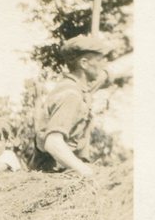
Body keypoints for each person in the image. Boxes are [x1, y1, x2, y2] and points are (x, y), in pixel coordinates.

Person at [30, 34, 113, 176]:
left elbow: (107, 75)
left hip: (65, 171)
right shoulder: (71, 95)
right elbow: (53, 143)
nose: (103, 64)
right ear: (84, 63)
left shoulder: (79, 87)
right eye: (99, 60)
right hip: (54, 173)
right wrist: (86, 172)